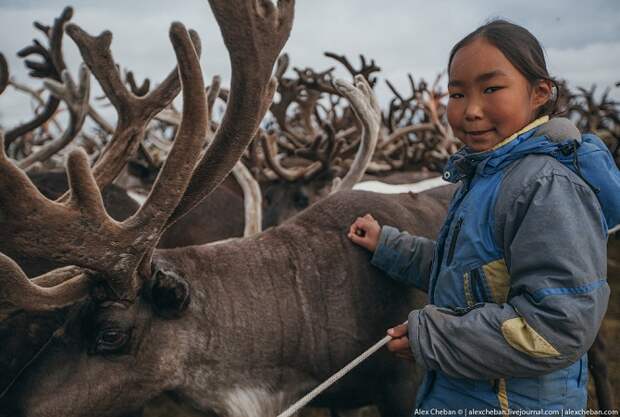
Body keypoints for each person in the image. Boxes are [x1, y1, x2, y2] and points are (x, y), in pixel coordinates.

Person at [348, 19, 614, 414]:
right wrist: (388, 245)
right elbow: (464, 276)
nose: (471, 110)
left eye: (491, 89)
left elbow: (559, 327)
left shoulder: (544, 187)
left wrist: (436, 338)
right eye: (457, 93)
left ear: (540, 92)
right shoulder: (486, 176)